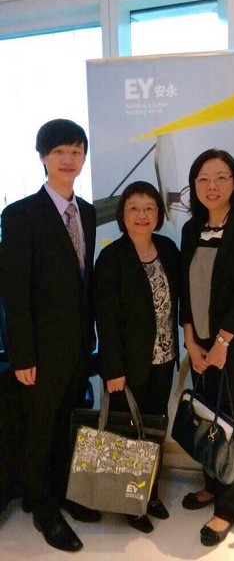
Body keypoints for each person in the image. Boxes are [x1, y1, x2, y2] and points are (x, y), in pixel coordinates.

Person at [0, 119, 99, 553]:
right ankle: (42, 507)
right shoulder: (19, 215)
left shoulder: (89, 212)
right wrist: (21, 354)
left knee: (68, 426)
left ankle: (63, 493)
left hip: (78, 346)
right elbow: (14, 291)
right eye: (59, 151)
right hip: (38, 351)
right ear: (43, 157)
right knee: (39, 430)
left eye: (76, 151)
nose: (68, 159)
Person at [180, 148, 234, 547]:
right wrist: (190, 338)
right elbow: (185, 287)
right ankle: (212, 484)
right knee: (206, 416)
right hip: (199, 342)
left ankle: (229, 506)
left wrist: (222, 342)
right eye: (202, 178)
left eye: (220, 177)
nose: (211, 186)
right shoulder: (190, 228)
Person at [94, 180, 180, 534]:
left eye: (149, 208)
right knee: (129, 434)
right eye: (133, 208)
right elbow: (107, 319)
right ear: (122, 214)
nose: (141, 215)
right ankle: (130, 503)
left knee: (154, 430)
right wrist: (112, 369)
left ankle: (152, 492)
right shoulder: (112, 257)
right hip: (127, 368)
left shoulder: (168, 249)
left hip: (164, 360)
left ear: (158, 214)